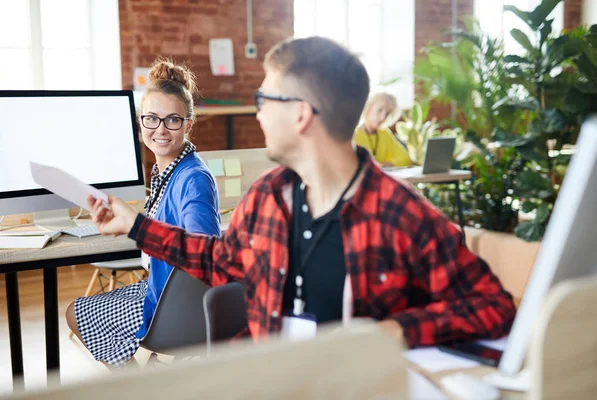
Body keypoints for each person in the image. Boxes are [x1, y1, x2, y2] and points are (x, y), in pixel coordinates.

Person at [87, 37, 516, 348]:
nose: (256, 111)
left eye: (264, 98)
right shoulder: (268, 198)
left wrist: (394, 331)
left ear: (301, 115)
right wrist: (137, 226)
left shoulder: (399, 213)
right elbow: (220, 263)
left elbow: (493, 306)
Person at [66, 59, 221, 368]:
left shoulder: (194, 180)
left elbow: (205, 253)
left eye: (172, 120)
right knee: (77, 311)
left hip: (173, 306)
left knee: (76, 312)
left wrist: (136, 226)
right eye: (151, 119)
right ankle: (146, 379)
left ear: (188, 125)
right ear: (140, 123)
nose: (160, 130)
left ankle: (143, 385)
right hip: (158, 289)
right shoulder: (166, 170)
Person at [354, 92, 412, 167]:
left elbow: (406, 158)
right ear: (368, 107)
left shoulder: (384, 133)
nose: (383, 117)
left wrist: (382, 165)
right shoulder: (354, 134)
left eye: (387, 113)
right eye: (380, 110)